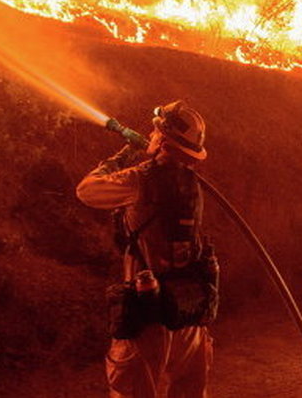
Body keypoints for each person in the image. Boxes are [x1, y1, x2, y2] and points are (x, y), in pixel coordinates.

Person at [77, 101, 215, 398]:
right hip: (187, 314)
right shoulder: (192, 184)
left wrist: (122, 156)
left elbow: (86, 190)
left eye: (155, 132)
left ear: (163, 141)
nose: (149, 136)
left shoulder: (140, 179)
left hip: (149, 317)